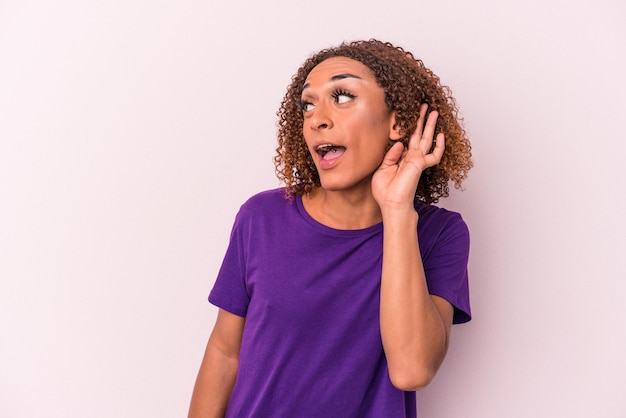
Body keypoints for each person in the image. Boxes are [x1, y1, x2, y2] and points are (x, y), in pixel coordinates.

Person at [188, 39, 473, 418]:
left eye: (342, 95)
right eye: (307, 104)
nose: (317, 117)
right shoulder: (261, 217)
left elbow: (412, 369)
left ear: (397, 122)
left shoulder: (440, 233)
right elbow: (225, 352)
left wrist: (397, 210)